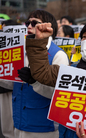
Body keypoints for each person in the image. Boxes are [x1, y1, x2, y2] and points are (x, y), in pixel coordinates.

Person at [0, 10, 69, 138]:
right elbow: (13, 84)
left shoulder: (58, 55)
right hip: (19, 122)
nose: (29, 26)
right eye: (28, 23)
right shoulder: (19, 51)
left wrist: (35, 81)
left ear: (49, 28)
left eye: (34, 23)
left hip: (44, 128)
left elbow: (59, 95)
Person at [0, 19, 20, 138]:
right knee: (5, 126)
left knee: (11, 126)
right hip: (2, 90)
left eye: (5, 29)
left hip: (12, 91)